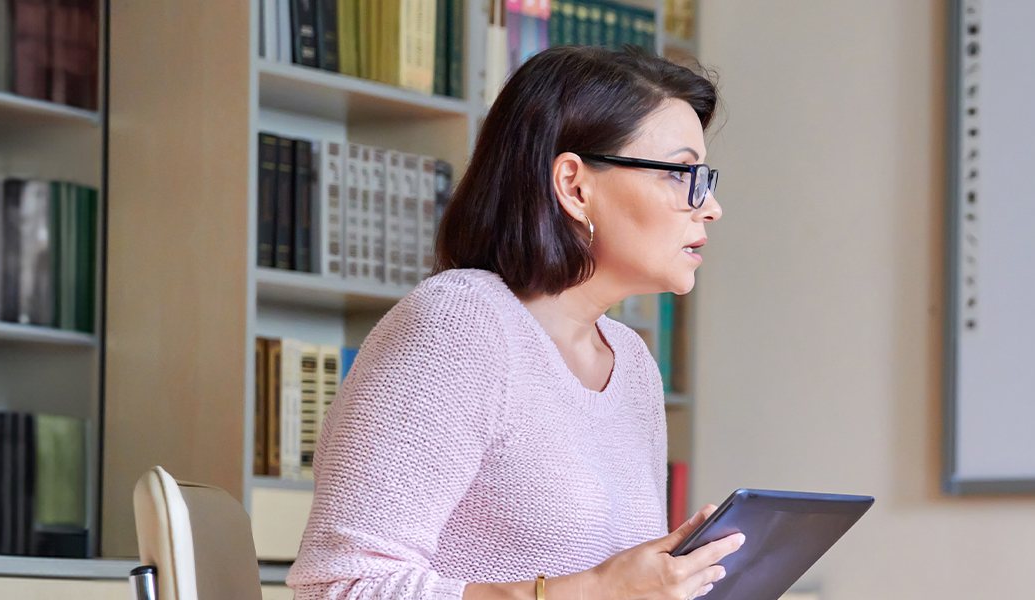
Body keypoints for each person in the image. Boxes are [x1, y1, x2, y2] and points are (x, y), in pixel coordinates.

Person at [287, 46, 738, 600]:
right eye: (683, 174)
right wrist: (591, 591)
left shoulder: (633, 365)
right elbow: (342, 586)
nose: (710, 205)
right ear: (574, 186)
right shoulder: (458, 326)